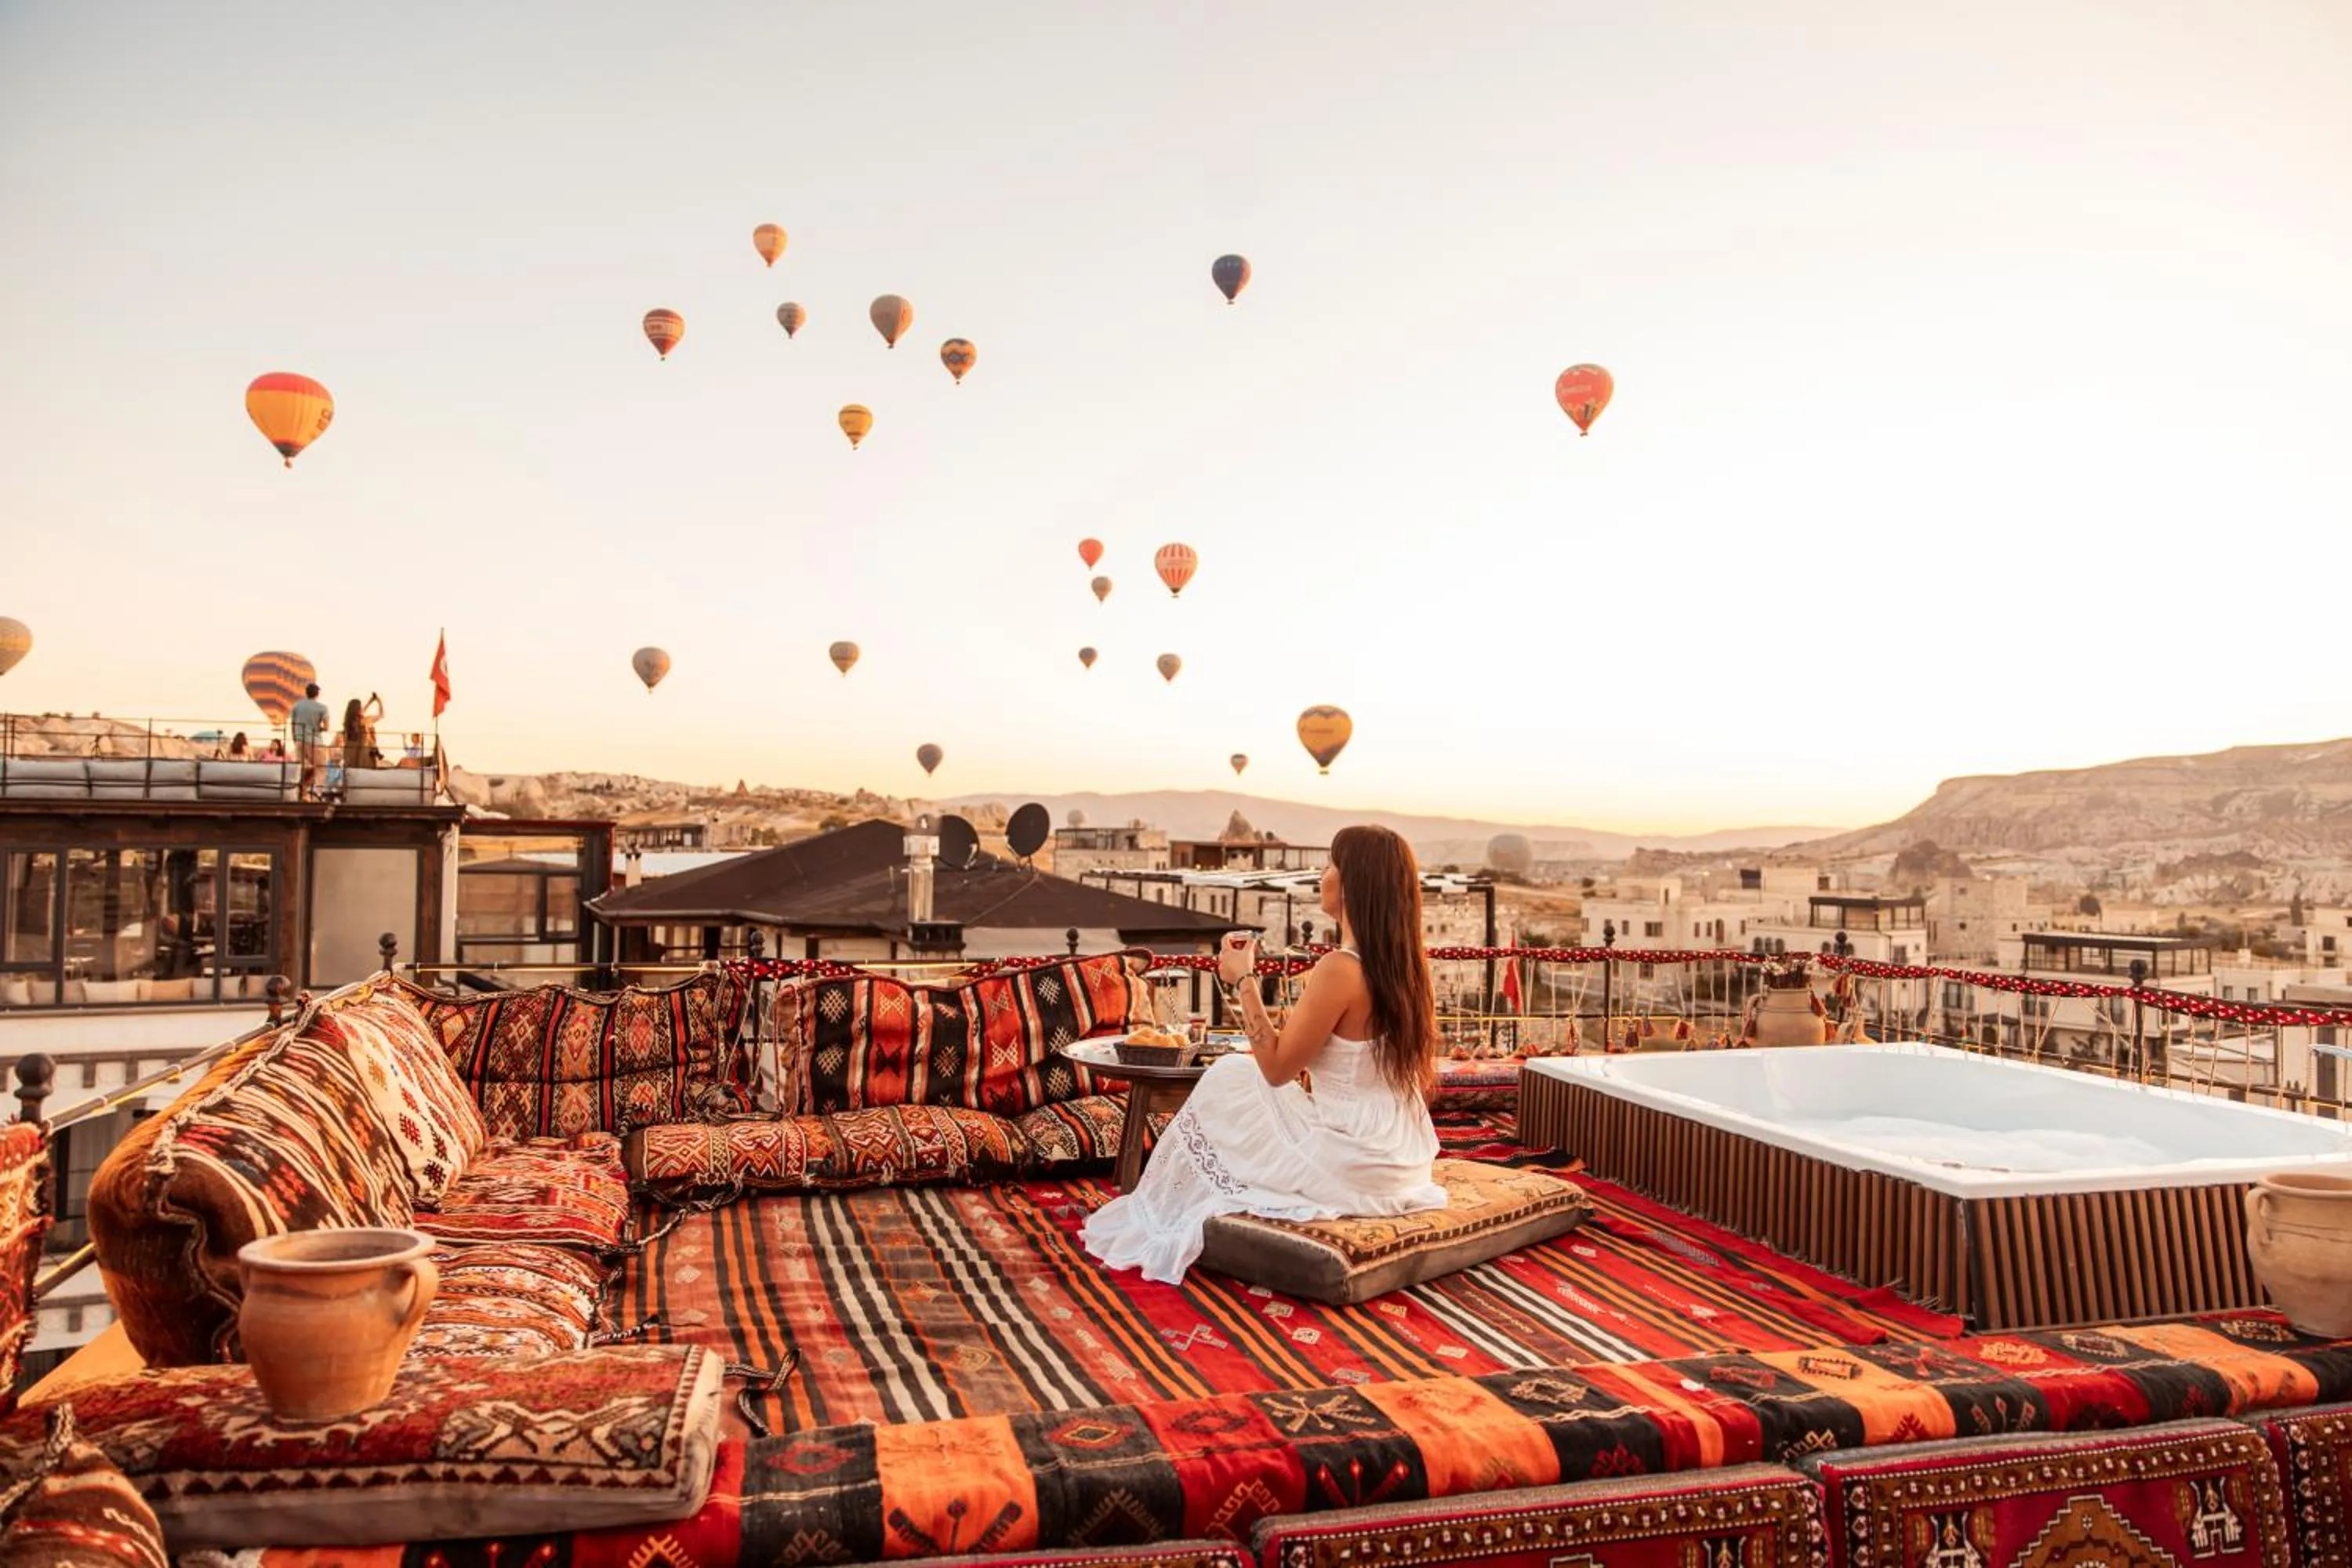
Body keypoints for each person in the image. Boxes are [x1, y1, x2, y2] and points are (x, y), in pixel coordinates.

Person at [1082, 824, 1447, 1283]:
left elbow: (1275, 1070)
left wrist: (1242, 980)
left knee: (1230, 1076)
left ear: (1354, 881)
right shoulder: (1407, 967)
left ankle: (1156, 1203)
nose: (1322, 873)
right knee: (1243, 1081)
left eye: (1331, 864)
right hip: (1402, 1160)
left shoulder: (1340, 969)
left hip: (1354, 1162)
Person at [289, 683, 329, 800]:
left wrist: (295, 739)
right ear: (317, 694)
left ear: (306, 693)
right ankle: (316, 795)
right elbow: (326, 727)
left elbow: (293, 724)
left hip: (299, 741)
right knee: (320, 768)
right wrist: (318, 728)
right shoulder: (322, 708)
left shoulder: (297, 706)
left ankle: (302, 793)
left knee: (304, 769)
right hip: (315, 741)